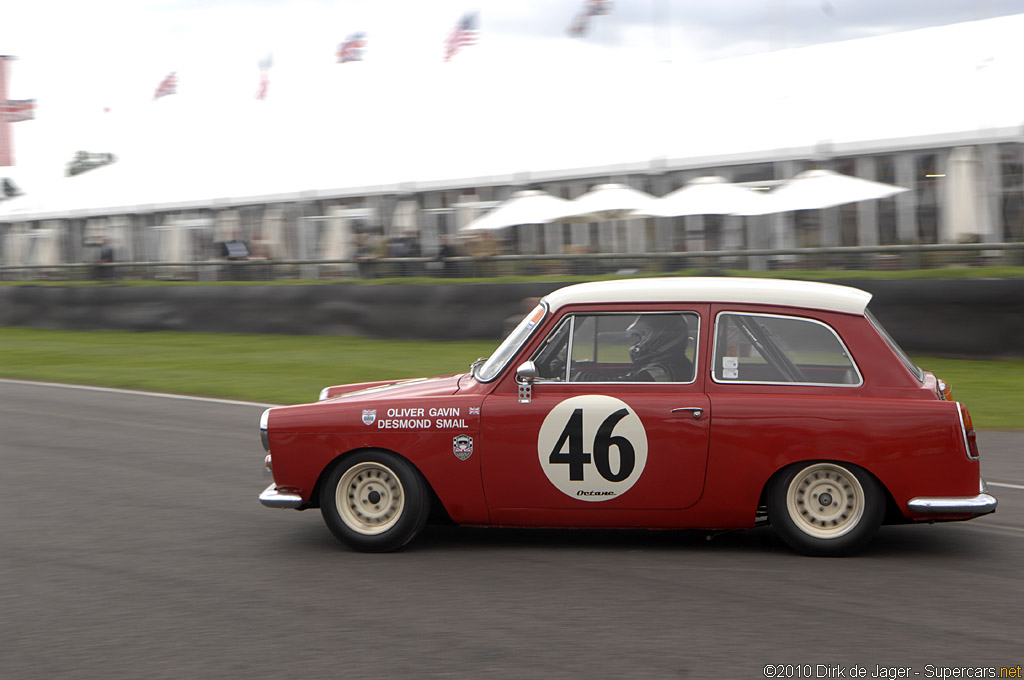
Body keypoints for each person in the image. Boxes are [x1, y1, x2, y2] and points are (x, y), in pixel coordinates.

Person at [624, 314, 693, 382]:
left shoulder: (656, 373)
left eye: (641, 335)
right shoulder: (679, 364)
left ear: (662, 338)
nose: (637, 345)